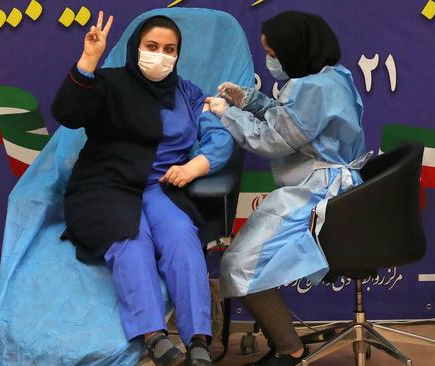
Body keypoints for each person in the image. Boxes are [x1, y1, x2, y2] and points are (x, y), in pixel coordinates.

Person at [51, 11, 234, 366]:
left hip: (159, 186)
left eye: (170, 49)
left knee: (182, 236)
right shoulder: (109, 83)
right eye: (152, 46)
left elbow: (218, 136)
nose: (161, 55)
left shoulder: (188, 93)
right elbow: (68, 112)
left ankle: (198, 339)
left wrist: (196, 164)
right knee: (130, 239)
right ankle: (154, 335)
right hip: (105, 183)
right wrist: (89, 59)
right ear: (136, 47)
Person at [206, 10, 370, 366]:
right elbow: (294, 119)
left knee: (237, 265)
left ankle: (290, 349)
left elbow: (273, 139)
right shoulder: (333, 78)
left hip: (315, 193)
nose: (271, 60)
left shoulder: (309, 88)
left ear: (295, 48)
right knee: (244, 262)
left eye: (274, 53)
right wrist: (248, 100)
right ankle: (284, 341)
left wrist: (225, 113)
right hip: (333, 187)